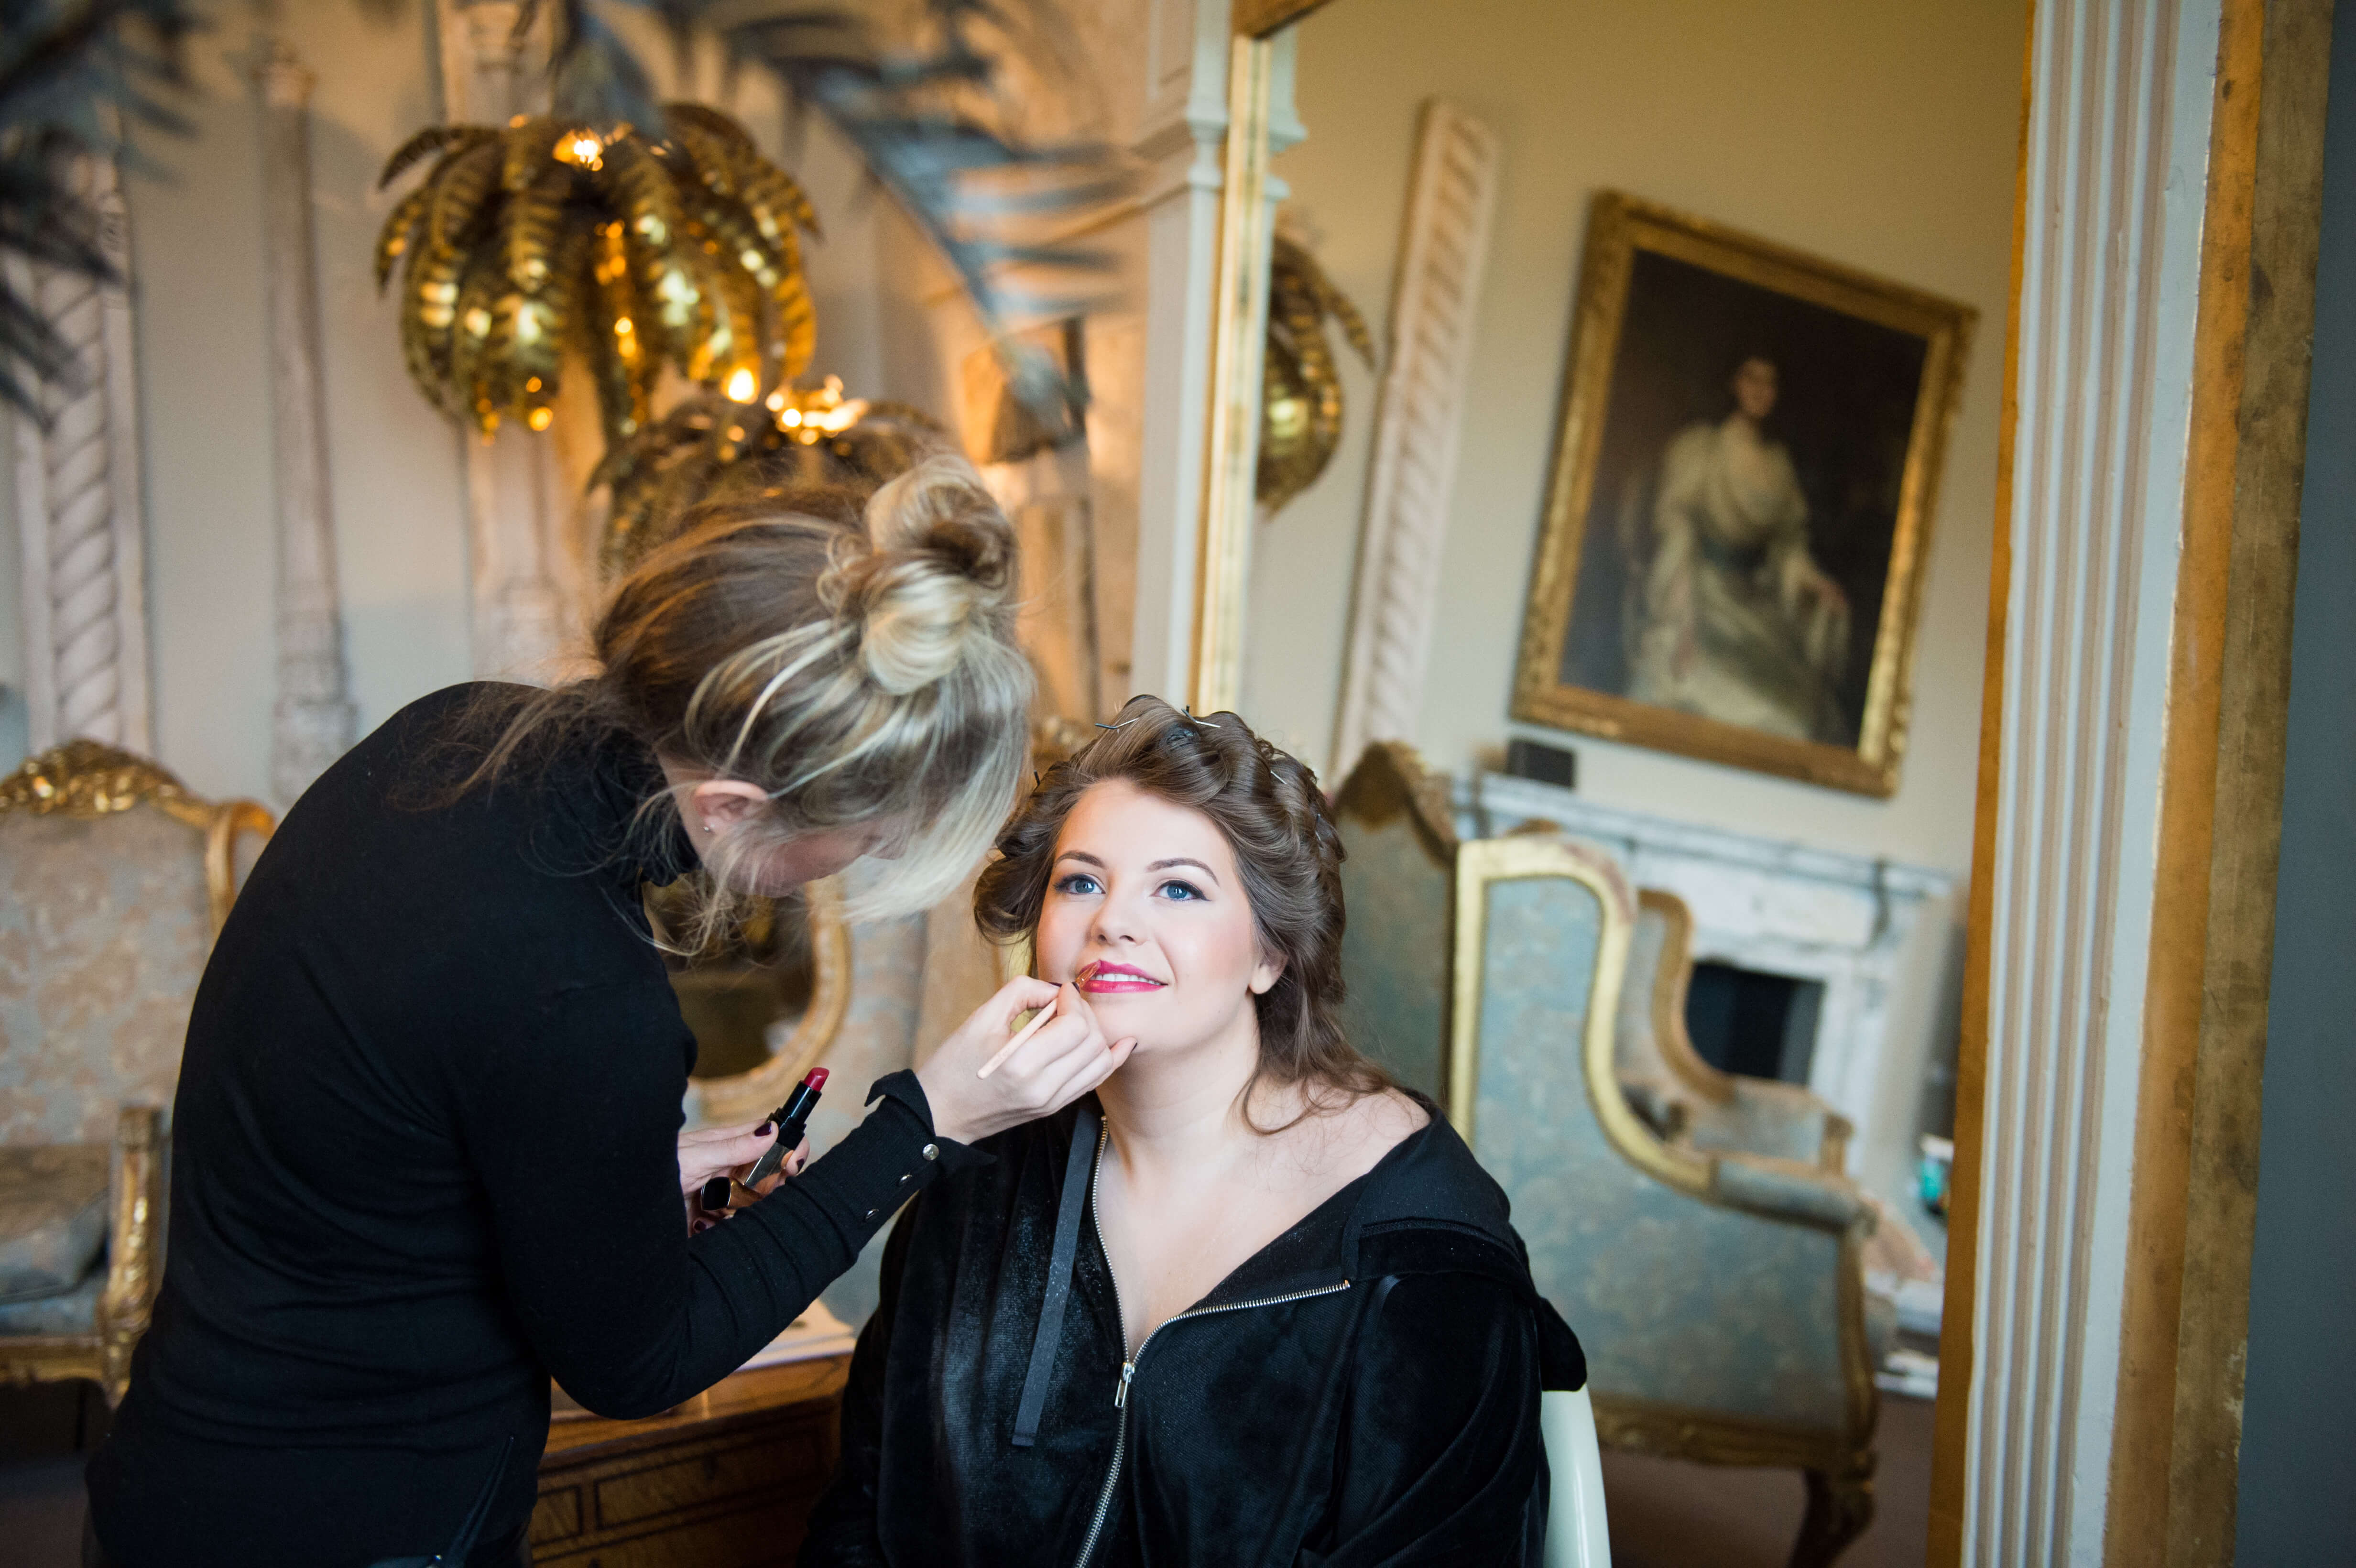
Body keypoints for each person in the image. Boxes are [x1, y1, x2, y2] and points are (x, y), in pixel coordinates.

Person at [85, 459, 1137, 1568]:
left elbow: (410, 1122)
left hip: (184, 1447)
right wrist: (924, 1119)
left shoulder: (453, 736)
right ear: (736, 806)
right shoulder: (577, 988)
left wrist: (600, 1179)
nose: (859, 864)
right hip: (341, 1519)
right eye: (867, 838)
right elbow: (639, 1364)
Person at [799, 697, 1585, 1568]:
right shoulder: (975, 1186)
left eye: (1177, 887)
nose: (1112, 922)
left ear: (1269, 955)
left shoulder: (1420, 1251)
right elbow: (865, 1515)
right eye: (1080, 882)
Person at [1625, 354, 1852, 741]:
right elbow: (1677, 529)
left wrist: (1815, 583)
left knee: (1799, 718)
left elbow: (1789, 549)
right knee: (1703, 695)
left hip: (1758, 605)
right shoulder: (1702, 449)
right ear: (1734, 383)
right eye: (1752, 379)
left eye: (1770, 383)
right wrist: (1681, 612)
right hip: (1701, 597)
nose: (1760, 391)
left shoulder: (1778, 465)